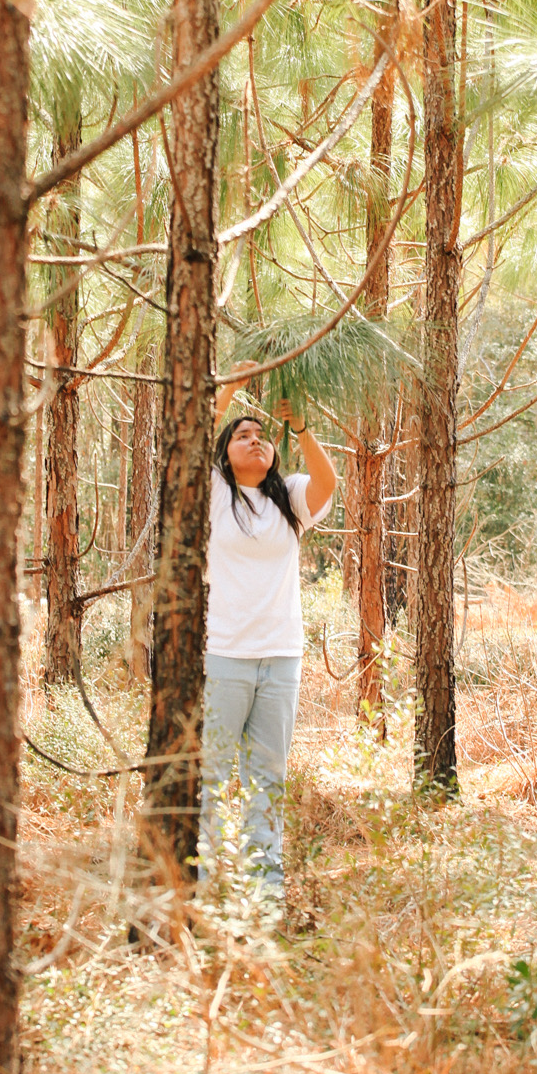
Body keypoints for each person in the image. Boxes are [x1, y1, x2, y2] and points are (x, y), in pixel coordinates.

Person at [200, 361, 337, 913]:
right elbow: (186, 446)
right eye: (241, 435)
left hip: (280, 660)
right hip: (224, 657)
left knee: (265, 780)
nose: (254, 441)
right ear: (225, 453)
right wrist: (229, 390)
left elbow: (328, 482)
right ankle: (205, 887)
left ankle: (265, 893)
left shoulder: (290, 497)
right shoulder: (212, 492)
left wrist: (301, 428)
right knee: (208, 775)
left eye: (261, 436)